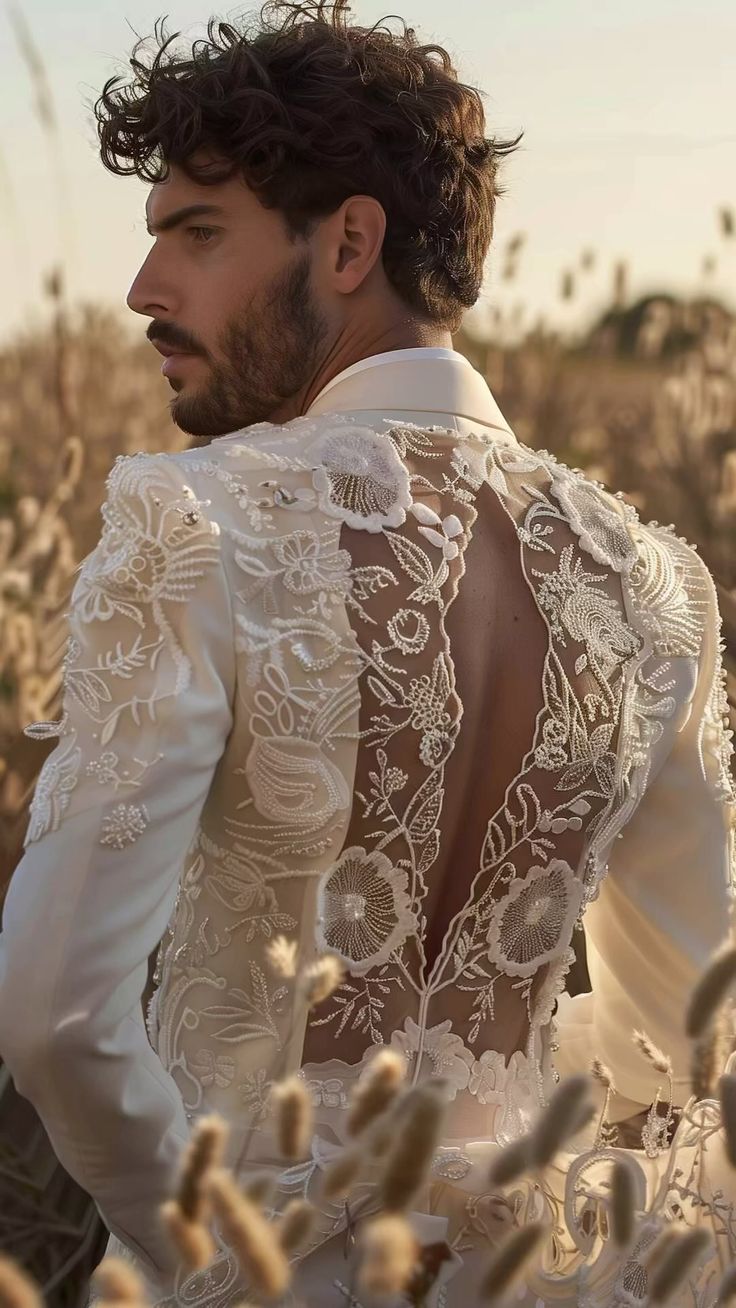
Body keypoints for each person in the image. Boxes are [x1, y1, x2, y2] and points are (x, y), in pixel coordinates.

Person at [1, 3, 734, 1305]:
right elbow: (687, 1038)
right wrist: (501, 1165)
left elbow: (57, 1019)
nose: (143, 287)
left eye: (198, 233)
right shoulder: (651, 580)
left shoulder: (199, 524)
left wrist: (232, 1262)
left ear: (349, 242)